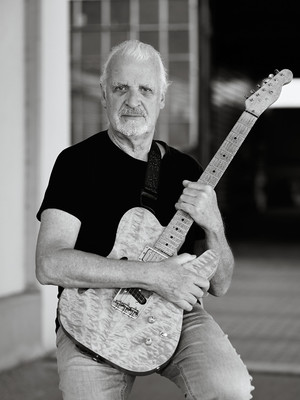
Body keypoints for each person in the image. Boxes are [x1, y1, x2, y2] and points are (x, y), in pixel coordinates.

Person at [35, 40, 254, 400]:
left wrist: (214, 223)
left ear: (162, 98)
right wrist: (155, 275)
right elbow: (49, 263)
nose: (133, 100)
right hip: (90, 320)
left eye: (146, 90)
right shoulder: (76, 163)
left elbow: (220, 284)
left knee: (229, 388)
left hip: (175, 316)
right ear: (104, 94)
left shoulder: (188, 171)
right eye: (121, 88)